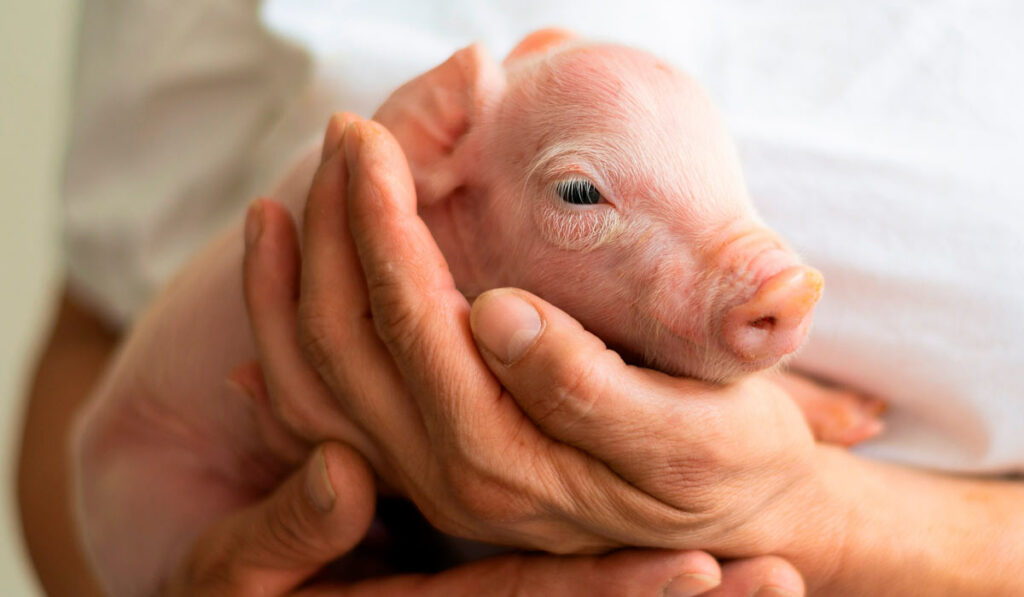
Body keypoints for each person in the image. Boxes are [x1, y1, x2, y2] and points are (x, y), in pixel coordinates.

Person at [18, 0, 1024, 594]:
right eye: (581, 195)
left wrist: (832, 518)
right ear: (445, 176)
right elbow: (95, 361)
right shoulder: (423, 201)